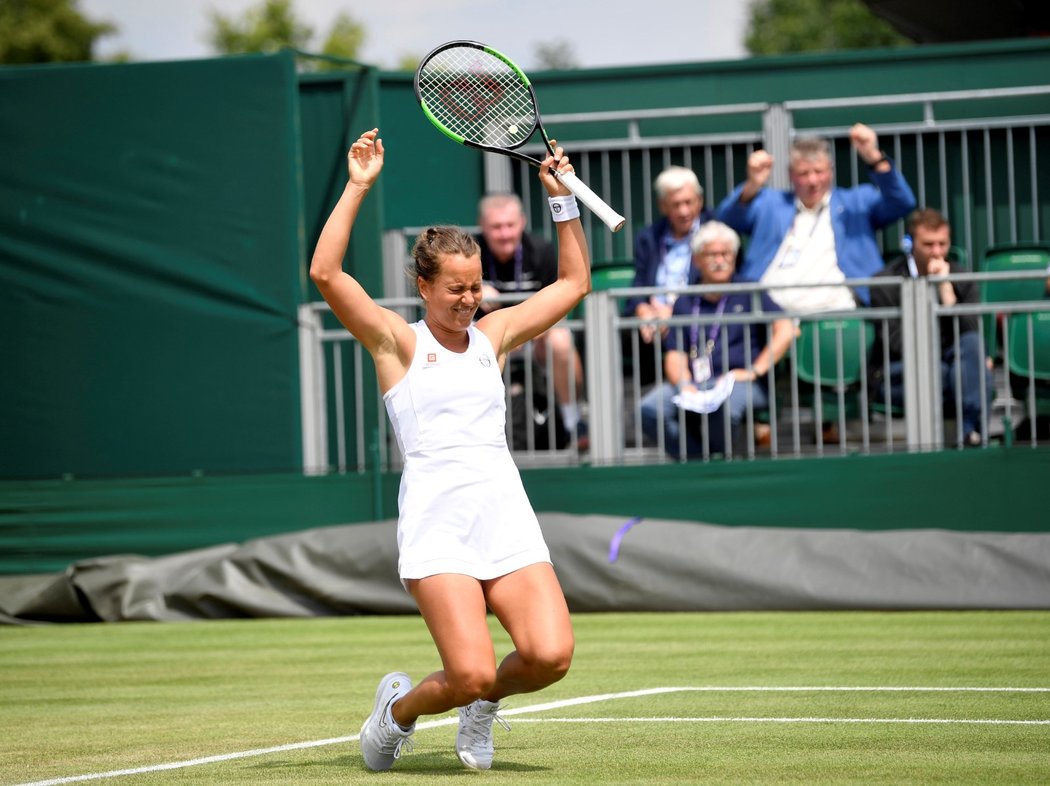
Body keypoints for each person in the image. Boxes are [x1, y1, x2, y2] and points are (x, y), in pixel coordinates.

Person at [310, 128, 587, 772]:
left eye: (476, 287)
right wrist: (356, 187)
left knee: (550, 656)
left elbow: (573, 283)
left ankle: (483, 706)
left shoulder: (494, 335)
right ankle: (396, 713)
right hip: (438, 526)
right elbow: (325, 272)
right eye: (456, 289)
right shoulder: (395, 344)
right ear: (423, 284)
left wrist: (562, 201)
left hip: (504, 515)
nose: (470, 300)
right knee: (468, 671)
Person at [716, 123, 916, 311]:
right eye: (804, 173)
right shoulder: (772, 203)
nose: (812, 180)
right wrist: (752, 184)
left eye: (819, 171)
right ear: (790, 174)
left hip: (837, 315)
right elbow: (726, 219)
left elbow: (903, 202)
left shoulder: (855, 202)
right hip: (770, 316)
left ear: (831, 170)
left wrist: (874, 157)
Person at [639, 221, 795, 459]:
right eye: (712, 254)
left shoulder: (749, 289)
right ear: (698, 260)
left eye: (726, 253)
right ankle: (698, 464)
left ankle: (723, 465)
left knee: (725, 407)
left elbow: (785, 328)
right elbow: (674, 354)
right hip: (697, 383)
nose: (720, 260)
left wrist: (755, 370)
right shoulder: (686, 300)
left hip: (739, 382)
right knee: (649, 409)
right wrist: (683, 384)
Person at [869, 208, 994, 447]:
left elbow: (970, 332)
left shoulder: (960, 276)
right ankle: (973, 436)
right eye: (928, 244)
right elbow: (897, 343)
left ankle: (968, 431)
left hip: (952, 364)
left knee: (972, 346)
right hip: (899, 373)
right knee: (972, 374)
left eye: (942, 244)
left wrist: (946, 289)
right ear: (910, 243)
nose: (937, 252)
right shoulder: (885, 282)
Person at [475, 193, 589, 448]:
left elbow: (559, 309)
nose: (504, 233)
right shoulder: (470, 252)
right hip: (483, 341)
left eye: (510, 225)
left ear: (522, 222)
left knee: (560, 340)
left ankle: (574, 422)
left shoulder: (542, 251)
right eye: (496, 227)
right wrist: (476, 289)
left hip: (533, 336)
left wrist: (521, 335)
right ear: (482, 226)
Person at [626, 166, 714, 345]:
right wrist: (643, 310)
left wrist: (675, 311)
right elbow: (639, 283)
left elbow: (717, 285)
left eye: (688, 202)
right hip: (653, 318)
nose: (683, 212)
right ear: (663, 206)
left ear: (700, 200)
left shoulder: (715, 231)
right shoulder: (649, 237)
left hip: (695, 315)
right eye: (676, 204)